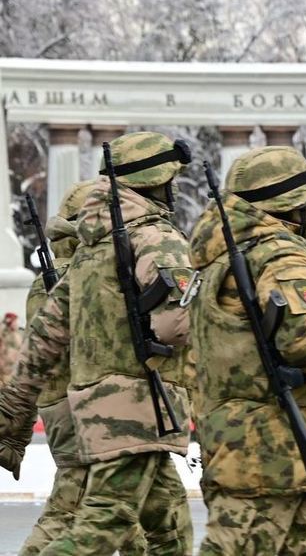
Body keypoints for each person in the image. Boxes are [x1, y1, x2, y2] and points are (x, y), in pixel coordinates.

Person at [0, 132, 195, 555]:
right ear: (156, 180)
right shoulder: (158, 239)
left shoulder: (89, 253)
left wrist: (13, 413)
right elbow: (177, 327)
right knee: (99, 528)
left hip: (98, 408)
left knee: (170, 529)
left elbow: (43, 339)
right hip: (140, 410)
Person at [189, 146, 306, 555]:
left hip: (259, 451)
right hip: (270, 454)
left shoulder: (221, 260)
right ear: (292, 203)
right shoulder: (283, 256)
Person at [19, 181, 150, 555]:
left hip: (71, 402)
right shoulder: (79, 278)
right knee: (71, 506)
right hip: (77, 405)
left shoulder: (70, 275)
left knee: (122, 512)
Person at [0, 312, 22, 387]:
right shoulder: (3, 333)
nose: (17, 324)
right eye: (15, 322)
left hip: (12, 369)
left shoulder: (17, 335)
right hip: (4, 368)